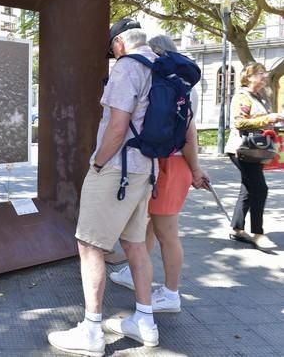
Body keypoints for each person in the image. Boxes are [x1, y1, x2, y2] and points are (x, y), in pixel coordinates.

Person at [48, 18, 158, 356]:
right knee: (135, 244)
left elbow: (117, 126)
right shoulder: (164, 67)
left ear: (121, 43)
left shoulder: (127, 68)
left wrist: (97, 163)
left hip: (115, 169)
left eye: (112, 48)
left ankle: (92, 331)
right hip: (145, 169)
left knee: (89, 245)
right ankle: (145, 321)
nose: (113, 54)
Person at [108, 35, 209, 313]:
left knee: (167, 232)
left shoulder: (168, 82)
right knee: (150, 223)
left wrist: (197, 168)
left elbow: (189, 133)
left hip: (169, 163)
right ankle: (134, 272)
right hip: (170, 163)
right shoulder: (183, 83)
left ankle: (171, 293)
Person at [225, 62, 282, 249]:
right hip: (242, 149)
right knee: (260, 189)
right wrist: (268, 118)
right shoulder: (243, 96)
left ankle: (237, 228)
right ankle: (258, 233)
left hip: (254, 150)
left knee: (248, 188)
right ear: (248, 77)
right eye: (260, 73)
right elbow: (239, 123)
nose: (265, 76)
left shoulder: (260, 96)